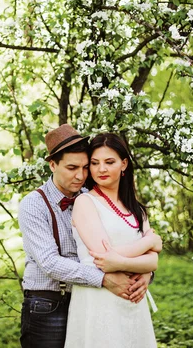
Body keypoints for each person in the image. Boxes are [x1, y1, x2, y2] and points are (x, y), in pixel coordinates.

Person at [18, 125, 153, 348]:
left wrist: (146, 271)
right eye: (71, 168)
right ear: (52, 165)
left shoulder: (92, 197)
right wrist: (102, 278)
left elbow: (125, 240)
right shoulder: (33, 204)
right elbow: (49, 263)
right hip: (48, 303)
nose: (80, 176)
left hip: (86, 298)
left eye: (84, 167)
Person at [64, 133, 161, 348]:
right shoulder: (85, 202)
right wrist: (149, 243)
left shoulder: (136, 208)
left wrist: (145, 270)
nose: (101, 169)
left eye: (110, 162)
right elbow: (104, 258)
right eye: (95, 163)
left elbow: (153, 263)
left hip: (133, 300)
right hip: (98, 301)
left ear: (124, 163)